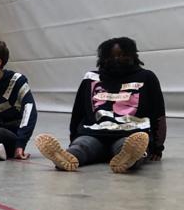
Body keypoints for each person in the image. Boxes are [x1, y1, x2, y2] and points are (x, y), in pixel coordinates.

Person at [35, 37, 165, 173]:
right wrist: (74, 138)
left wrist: (157, 147)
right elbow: (78, 111)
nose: (116, 59)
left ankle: (130, 159)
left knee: (128, 147)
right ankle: (66, 157)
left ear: (132, 56)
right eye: (111, 56)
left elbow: (158, 114)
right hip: (93, 133)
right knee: (81, 146)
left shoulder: (146, 77)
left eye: (122, 55)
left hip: (130, 133)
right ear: (103, 59)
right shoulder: (91, 77)